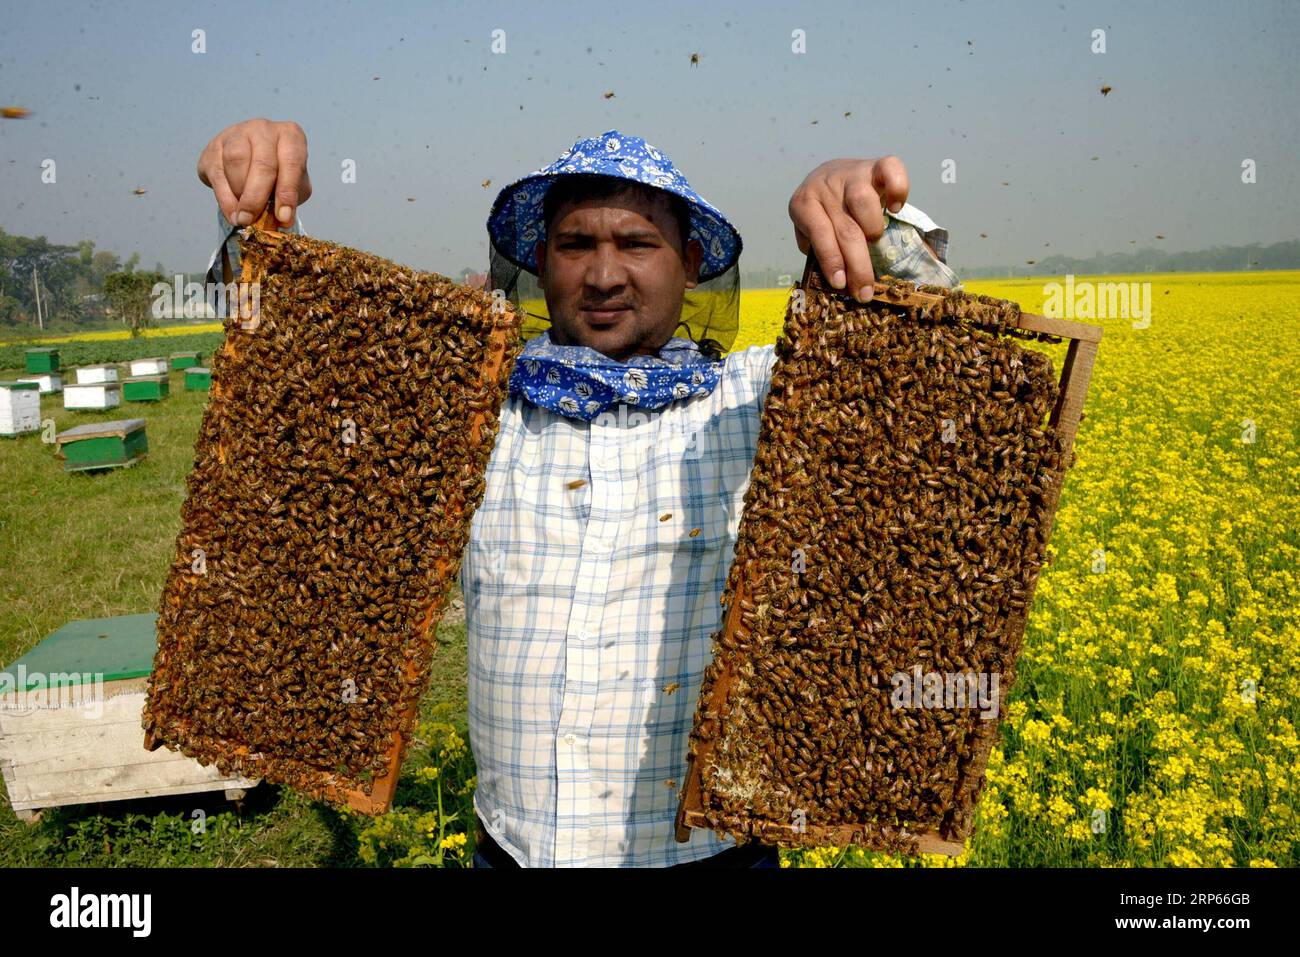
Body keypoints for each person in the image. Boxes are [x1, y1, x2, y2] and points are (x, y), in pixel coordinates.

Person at [196, 119, 957, 867]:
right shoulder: (469, 411)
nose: (601, 275)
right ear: (539, 260)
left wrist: (866, 216)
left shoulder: (756, 400)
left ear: (689, 262)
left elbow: (927, 366)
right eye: (574, 245)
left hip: (713, 856)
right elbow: (293, 369)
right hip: (516, 851)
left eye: (635, 243)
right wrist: (253, 209)